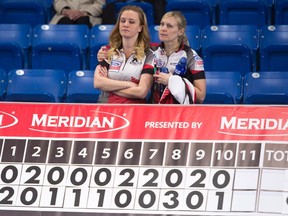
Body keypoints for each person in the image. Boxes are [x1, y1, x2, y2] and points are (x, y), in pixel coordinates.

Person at [97, 10, 206, 104]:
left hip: (181, 111)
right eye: (162, 24)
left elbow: (201, 96)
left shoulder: (192, 57)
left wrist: (172, 80)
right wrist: (104, 52)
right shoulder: (152, 51)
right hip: (154, 110)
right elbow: (125, 47)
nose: (163, 29)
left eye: (169, 26)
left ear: (180, 31)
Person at [93, 5, 154, 103]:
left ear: (140, 28)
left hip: (133, 111)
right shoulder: (108, 50)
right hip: (105, 109)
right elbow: (98, 82)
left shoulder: (149, 55)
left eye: (131, 22)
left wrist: (109, 86)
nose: (125, 24)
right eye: (123, 21)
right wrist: (130, 84)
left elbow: (141, 92)